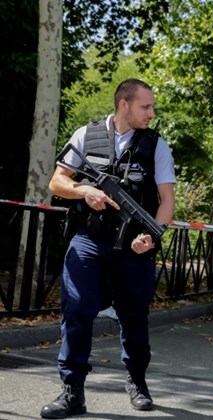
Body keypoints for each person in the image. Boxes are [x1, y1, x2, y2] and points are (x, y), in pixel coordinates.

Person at [41, 79, 176, 419]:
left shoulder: (156, 145)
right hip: (88, 240)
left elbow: (167, 200)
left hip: (134, 247)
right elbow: (57, 182)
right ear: (123, 105)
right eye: (146, 106)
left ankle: (137, 381)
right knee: (77, 309)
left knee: (134, 317)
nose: (152, 113)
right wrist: (84, 191)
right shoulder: (86, 135)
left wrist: (152, 235)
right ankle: (72, 392)